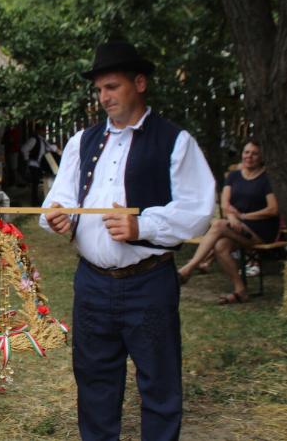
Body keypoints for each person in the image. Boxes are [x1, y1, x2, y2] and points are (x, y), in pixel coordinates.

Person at [41, 41, 214, 441]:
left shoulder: (174, 141)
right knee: (95, 382)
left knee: (159, 383)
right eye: (100, 90)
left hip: (148, 282)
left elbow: (198, 209)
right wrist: (57, 217)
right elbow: (58, 200)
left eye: (112, 87)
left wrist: (143, 227)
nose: (104, 97)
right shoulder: (80, 142)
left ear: (139, 83)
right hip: (92, 283)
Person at [178, 141, 279, 303]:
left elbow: (272, 209)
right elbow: (225, 204)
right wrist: (232, 216)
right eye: (246, 152)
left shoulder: (266, 179)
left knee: (218, 224)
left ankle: (189, 268)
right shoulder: (233, 176)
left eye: (254, 153)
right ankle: (241, 290)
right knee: (220, 247)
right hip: (235, 226)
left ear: (261, 158)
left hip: (261, 230)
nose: (249, 157)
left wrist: (243, 217)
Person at [21, 124, 61, 205]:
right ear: (38, 130)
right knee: (34, 184)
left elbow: (50, 147)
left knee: (37, 184)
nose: (44, 132)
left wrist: (59, 151)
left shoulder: (42, 139)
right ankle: (34, 203)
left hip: (38, 165)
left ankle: (37, 201)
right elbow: (24, 149)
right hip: (33, 164)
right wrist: (27, 160)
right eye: (42, 130)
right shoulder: (34, 139)